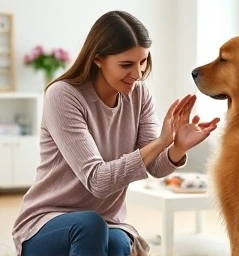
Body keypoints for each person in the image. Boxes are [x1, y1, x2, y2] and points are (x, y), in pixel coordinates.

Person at [12, 10, 220, 256]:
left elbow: (155, 167)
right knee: (90, 226)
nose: (138, 73)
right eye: (126, 65)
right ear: (98, 59)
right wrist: (162, 141)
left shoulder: (139, 95)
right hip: (46, 224)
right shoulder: (63, 95)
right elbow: (97, 181)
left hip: (106, 222)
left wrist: (176, 148)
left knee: (119, 241)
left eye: (142, 61)